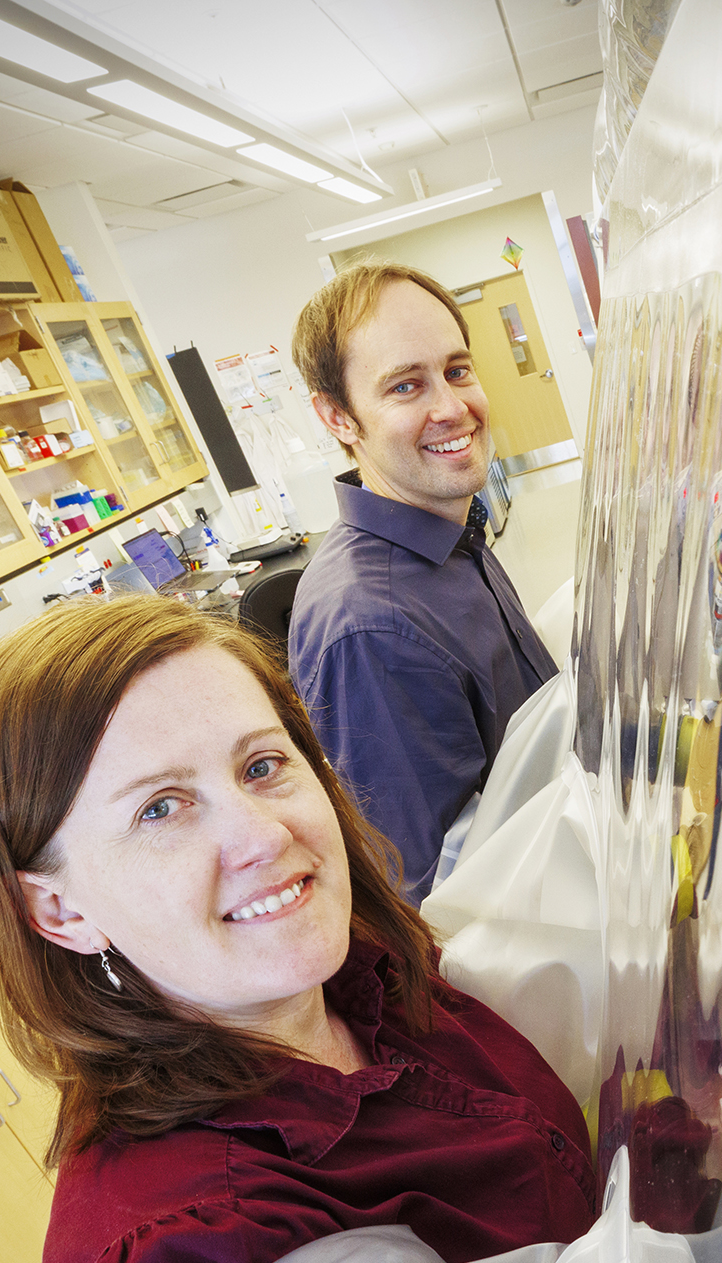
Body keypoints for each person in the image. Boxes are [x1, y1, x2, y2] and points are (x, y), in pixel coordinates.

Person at [0, 595, 598, 1263]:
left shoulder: (360, 973)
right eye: (162, 809)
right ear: (59, 910)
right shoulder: (187, 1260)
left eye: (263, 765)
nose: (263, 835)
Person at [287, 260, 559, 899]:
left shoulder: (449, 533)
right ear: (338, 418)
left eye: (457, 371)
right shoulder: (373, 627)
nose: (452, 407)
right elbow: (443, 896)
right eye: (405, 387)